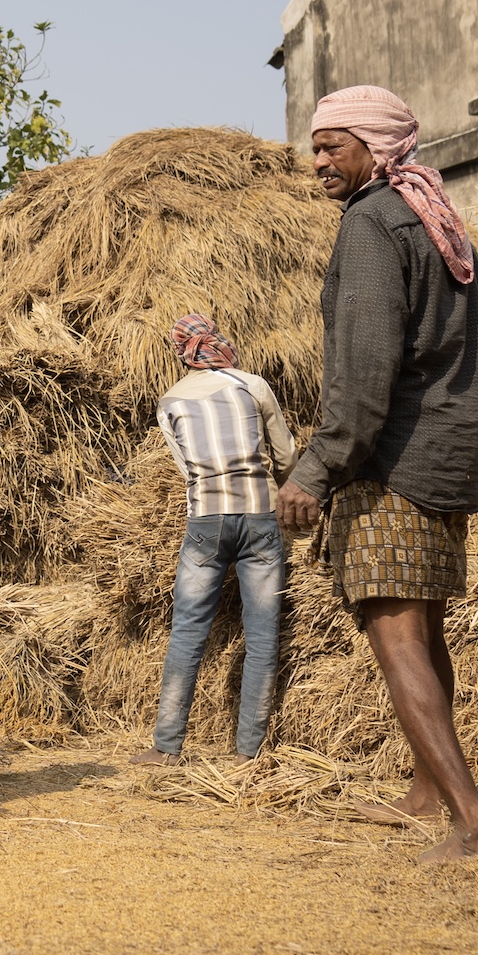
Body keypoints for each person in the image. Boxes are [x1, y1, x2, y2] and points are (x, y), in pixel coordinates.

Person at [275, 84, 478, 862]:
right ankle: (426, 789)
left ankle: (473, 825)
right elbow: (477, 356)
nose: (317, 162)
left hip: (393, 463)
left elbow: (364, 372)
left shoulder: (373, 223)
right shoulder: (436, 219)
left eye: (332, 145)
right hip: (444, 453)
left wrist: (316, 470)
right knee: (425, 628)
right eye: (315, 146)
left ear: (374, 147)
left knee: (396, 636)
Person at [128, 314, 296, 768]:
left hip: (205, 521)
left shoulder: (170, 401)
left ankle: (166, 747)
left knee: (187, 631)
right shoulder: (252, 385)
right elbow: (287, 456)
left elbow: (186, 471)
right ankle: (249, 753)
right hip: (260, 519)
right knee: (262, 635)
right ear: (220, 342)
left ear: (183, 353)